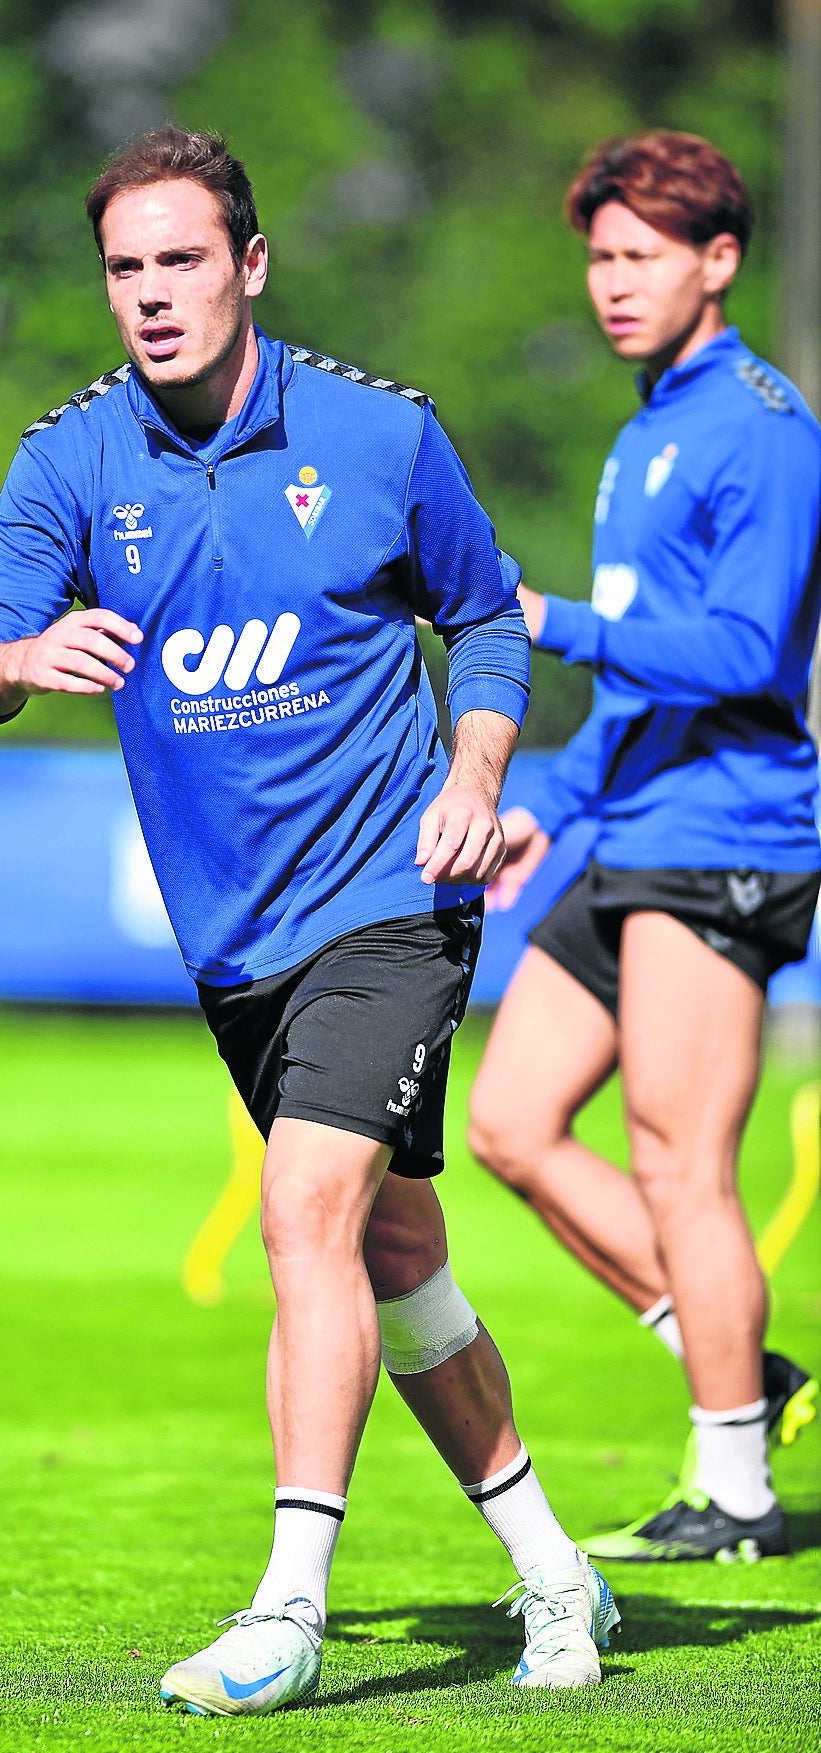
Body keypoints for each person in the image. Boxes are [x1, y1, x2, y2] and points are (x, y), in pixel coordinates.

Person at [0, 127, 619, 1714]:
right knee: (395, 1256)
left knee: (303, 1209)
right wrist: (13, 664)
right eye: (125, 267)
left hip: (396, 893)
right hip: (236, 941)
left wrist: (476, 757)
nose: (153, 294)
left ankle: (287, 1607)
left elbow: (484, 615)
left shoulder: (381, 435)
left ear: (249, 265)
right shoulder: (73, 461)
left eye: (183, 259)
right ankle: (548, 1564)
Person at [469, 131, 821, 1564]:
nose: (610, 284)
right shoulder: (639, 428)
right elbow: (636, 681)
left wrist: (549, 617)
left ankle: (733, 1491)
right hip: (625, 821)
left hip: (726, 831)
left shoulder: (762, 424)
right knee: (506, 1120)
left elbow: (742, 650)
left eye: (638, 257)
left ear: (715, 261)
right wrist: (550, 797)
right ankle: (741, 1371)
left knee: (682, 1165)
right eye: (598, 258)